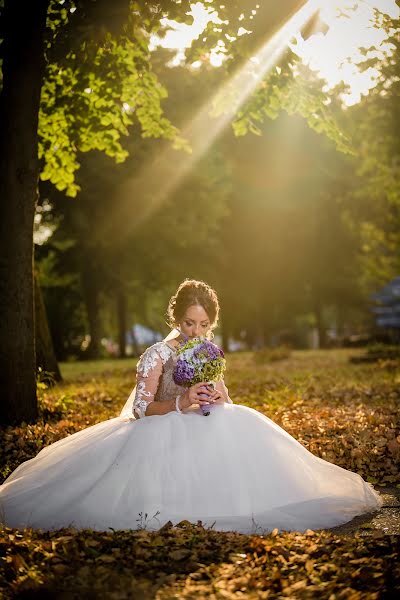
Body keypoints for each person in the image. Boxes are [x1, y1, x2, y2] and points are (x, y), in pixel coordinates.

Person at [0, 279, 382, 533]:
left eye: (202, 324)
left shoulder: (209, 353)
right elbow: (140, 408)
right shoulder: (158, 354)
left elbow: (226, 397)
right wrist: (180, 402)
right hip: (161, 426)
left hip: (210, 421)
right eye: (188, 323)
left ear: (211, 322)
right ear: (176, 318)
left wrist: (217, 397)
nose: (194, 332)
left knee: (244, 424)